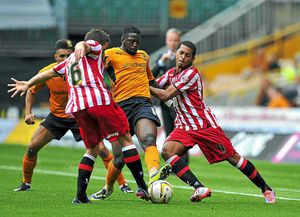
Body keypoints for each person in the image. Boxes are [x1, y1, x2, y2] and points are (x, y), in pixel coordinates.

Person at [8, 28, 149, 203]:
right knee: (126, 140)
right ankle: (142, 186)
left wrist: (28, 83)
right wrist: (81, 45)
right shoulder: (94, 46)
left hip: (78, 108)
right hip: (98, 101)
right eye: (104, 48)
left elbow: (50, 72)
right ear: (100, 44)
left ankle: (80, 196)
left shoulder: (69, 61)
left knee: (92, 150)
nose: (103, 52)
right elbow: (86, 45)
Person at [149, 41, 276, 204]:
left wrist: (141, 85)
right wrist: (142, 76)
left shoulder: (191, 74)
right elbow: (155, 85)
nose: (183, 57)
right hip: (185, 125)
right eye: (181, 53)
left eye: (187, 55)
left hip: (204, 126)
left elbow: (165, 94)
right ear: (176, 53)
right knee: (167, 151)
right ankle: (199, 188)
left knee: (234, 158)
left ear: (193, 59)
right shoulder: (172, 73)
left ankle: (266, 189)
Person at [89, 25, 171, 201]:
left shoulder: (144, 56)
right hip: (119, 108)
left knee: (149, 140)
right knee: (119, 159)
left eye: (137, 42)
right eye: (131, 41)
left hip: (142, 103)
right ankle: (108, 188)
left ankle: (154, 176)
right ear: (123, 40)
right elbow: (95, 70)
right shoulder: (110, 54)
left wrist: (167, 98)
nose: (135, 45)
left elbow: (151, 81)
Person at [151, 28, 189, 163]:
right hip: (164, 102)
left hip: (179, 101)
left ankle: (183, 162)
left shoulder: (184, 58)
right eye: (170, 40)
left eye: (175, 40)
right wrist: (161, 62)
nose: (173, 43)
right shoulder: (163, 56)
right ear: (166, 41)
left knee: (181, 132)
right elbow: (152, 75)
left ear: (180, 41)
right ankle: (172, 162)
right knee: (169, 131)